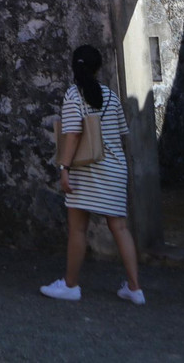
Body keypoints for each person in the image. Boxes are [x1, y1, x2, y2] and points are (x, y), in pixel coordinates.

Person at [41, 44, 145, 305]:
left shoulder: (74, 96)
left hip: (85, 170)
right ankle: (135, 288)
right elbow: (120, 132)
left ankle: (71, 285)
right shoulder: (111, 95)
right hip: (114, 168)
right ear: (98, 67)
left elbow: (73, 134)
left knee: (78, 229)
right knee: (120, 227)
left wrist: (64, 168)